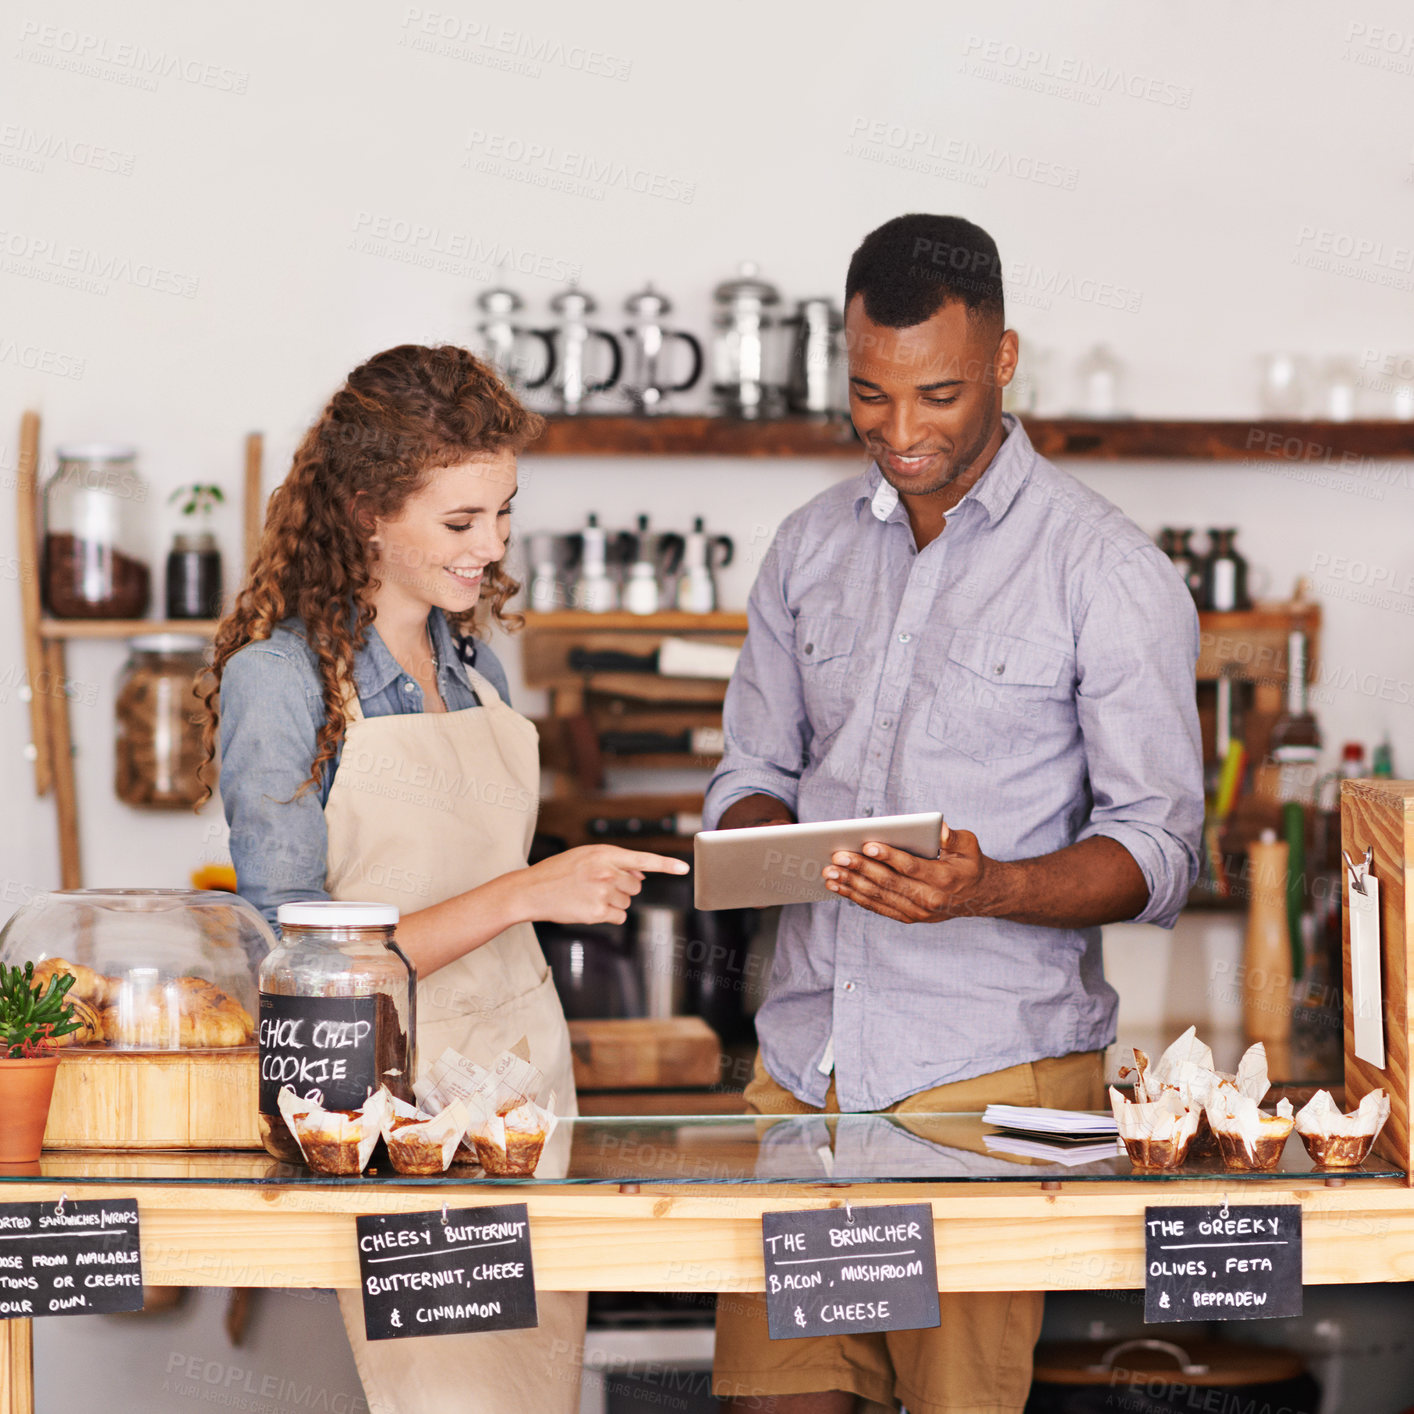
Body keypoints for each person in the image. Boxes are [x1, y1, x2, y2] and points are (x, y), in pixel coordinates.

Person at [707, 215, 1203, 1414]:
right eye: (869, 395)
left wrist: (986, 887)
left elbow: (1160, 851)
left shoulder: (1105, 570)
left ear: (1002, 358)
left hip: (988, 1098)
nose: (901, 431)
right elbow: (747, 772)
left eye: (935, 393)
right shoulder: (809, 546)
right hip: (803, 1084)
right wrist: (773, 840)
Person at [204, 343, 688, 1414]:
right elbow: (300, 973)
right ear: (369, 511)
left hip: (523, 1094)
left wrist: (552, 891)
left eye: (503, 514)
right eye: (462, 523)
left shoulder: (477, 668)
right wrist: (527, 892)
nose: (493, 547)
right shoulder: (281, 682)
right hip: (398, 1113)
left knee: (537, 1393)